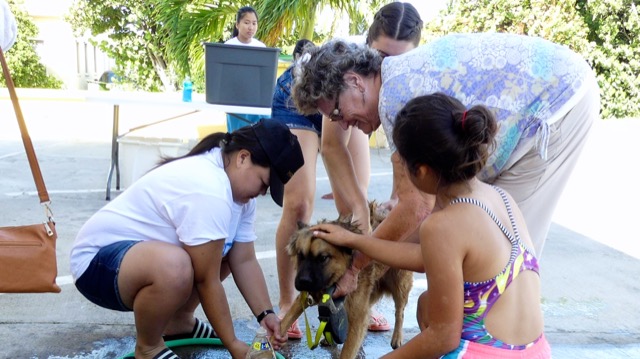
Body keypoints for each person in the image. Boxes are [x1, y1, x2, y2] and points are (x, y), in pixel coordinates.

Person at [291, 33, 599, 292]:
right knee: (471, 245)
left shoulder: (395, 99)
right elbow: (421, 222)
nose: (342, 124)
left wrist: (356, 265)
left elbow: (415, 208)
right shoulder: (395, 81)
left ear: (355, 82)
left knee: (501, 263)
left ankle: (507, 341)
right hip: (557, 91)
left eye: (335, 113)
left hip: (555, 107)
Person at [311, 93, 552, 358]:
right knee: (426, 304)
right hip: (536, 350)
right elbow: (424, 257)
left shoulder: (442, 225)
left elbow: (442, 337)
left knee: (431, 320)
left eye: (401, 162)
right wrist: (355, 241)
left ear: (422, 171)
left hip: (483, 353)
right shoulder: (501, 198)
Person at [70, 119, 304, 359]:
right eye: (264, 183)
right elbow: (207, 280)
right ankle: (148, 347)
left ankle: (178, 322)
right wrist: (234, 344)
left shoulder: (239, 193)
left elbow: (243, 259)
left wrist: (266, 315)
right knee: (177, 266)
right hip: (97, 265)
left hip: (130, 262)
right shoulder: (209, 187)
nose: (262, 193)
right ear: (243, 157)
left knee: (221, 252)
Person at [274, 2, 425, 338]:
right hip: (308, 92)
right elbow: (332, 146)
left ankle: (357, 298)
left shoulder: (402, 83)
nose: (390, 68)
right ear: (368, 47)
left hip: (353, 101)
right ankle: (288, 302)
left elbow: (408, 192)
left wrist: (379, 215)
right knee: (300, 200)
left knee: (360, 217)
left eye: (399, 61)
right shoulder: (348, 74)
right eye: (384, 57)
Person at [224, 5, 268, 133]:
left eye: (254, 23)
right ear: (237, 24)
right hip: (234, 99)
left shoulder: (261, 47)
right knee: (236, 135)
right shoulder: (229, 46)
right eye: (247, 23)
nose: (251, 27)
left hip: (256, 99)